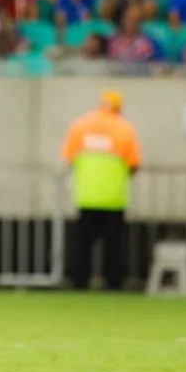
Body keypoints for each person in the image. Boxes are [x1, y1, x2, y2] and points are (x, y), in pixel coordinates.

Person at [62, 90, 142, 292]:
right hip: (114, 197)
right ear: (119, 107)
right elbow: (134, 163)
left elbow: (69, 157)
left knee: (82, 244)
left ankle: (80, 281)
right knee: (114, 246)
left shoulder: (80, 126)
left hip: (86, 195)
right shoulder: (125, 129)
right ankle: (113, 282)